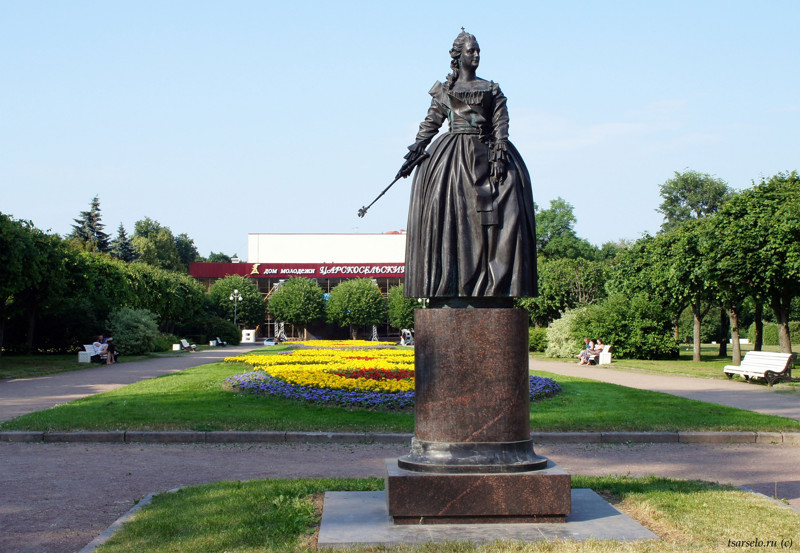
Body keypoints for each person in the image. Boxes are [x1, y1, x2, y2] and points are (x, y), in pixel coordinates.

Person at [402, 30, 537, 302]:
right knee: (449, 212)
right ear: (458, 55)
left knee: (508, 205)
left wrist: (499, 155)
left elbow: (501, 125)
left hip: (489, 155)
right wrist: (416, 148)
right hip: (452, 161)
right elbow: (431, 123)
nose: (475, 55)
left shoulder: (491, 89)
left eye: (478, 51)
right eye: (470, 51)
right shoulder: (446, 91)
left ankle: (495, 286)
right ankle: (452, 287)